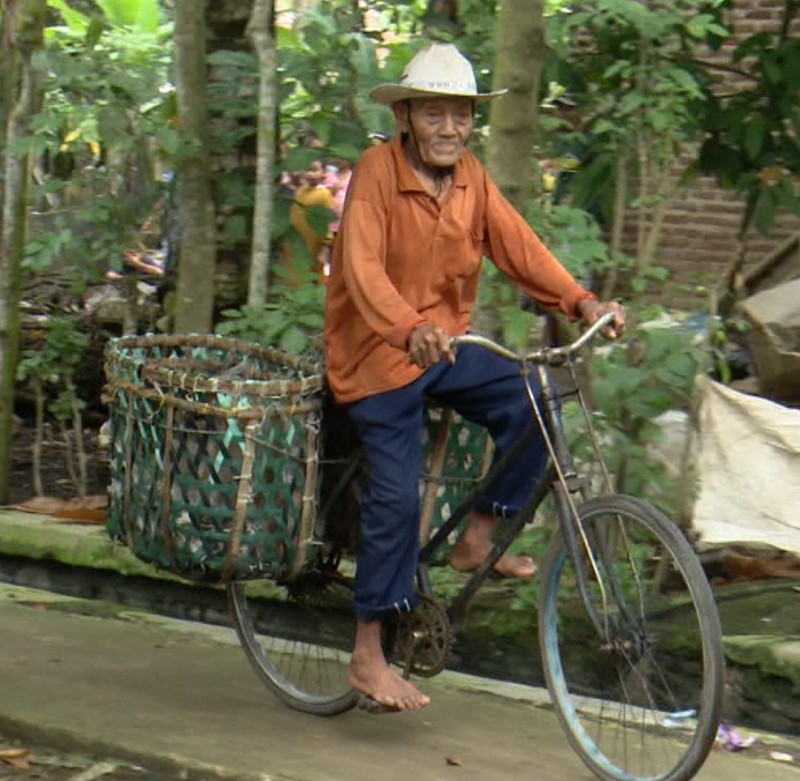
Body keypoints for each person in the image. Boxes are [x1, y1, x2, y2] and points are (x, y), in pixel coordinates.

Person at [323, 42, 625, 713]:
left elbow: (520, 247)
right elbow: (361, 269)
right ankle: (367, 653)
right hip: (376, 356)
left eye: (460, 115)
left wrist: (581, 301)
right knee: (397, 496)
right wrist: (405, 326)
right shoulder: (376, 172)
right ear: (404, 117)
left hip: (445, 349)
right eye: (434, 113)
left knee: (534, 399)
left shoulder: (470, 179)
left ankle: (478, 536)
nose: (450, 128)